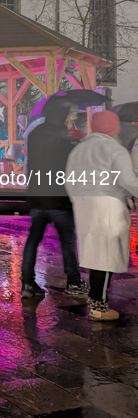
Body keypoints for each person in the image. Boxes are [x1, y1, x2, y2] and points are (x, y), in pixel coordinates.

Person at [65, 110, 138, 320]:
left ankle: (97, 302)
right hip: (108, 207)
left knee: (96, 256)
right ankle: (99, 307)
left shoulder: (80, 150)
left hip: (85, 208)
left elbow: (69, 181)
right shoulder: (114, 149)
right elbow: (129, 181)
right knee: (105, 258)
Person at [21, 96, 88, 299]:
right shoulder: (65, 136)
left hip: (38, 195)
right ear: (62, 114)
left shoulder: (35, 134)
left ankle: (27, 283)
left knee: (33, 239)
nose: (74, 115)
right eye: (71, 113)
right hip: (59, 196)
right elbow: (74, 163)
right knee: (67, 240)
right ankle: (74, 281)